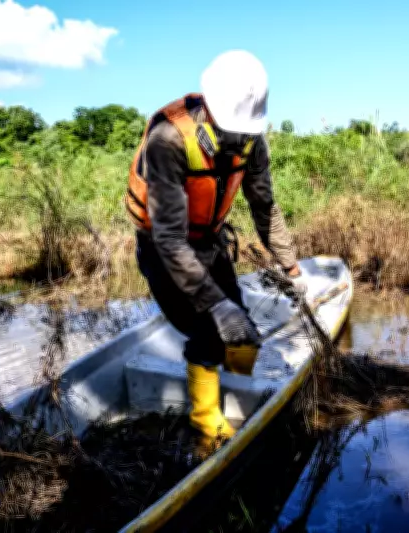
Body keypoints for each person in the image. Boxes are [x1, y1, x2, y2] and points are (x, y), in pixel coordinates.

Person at [124, 50, 306, 441]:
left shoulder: (253, 143)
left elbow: (265, 207)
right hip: (164, 247)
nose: (238, 139)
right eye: (231, 130)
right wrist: (214, 303)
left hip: (208, 240)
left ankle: (243, 388)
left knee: (242, 323)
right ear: (208, 107)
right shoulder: (167, 140)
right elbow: (169, 238)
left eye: (246, 132)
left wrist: (292, 267)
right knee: (208, 330)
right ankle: (206, 424)